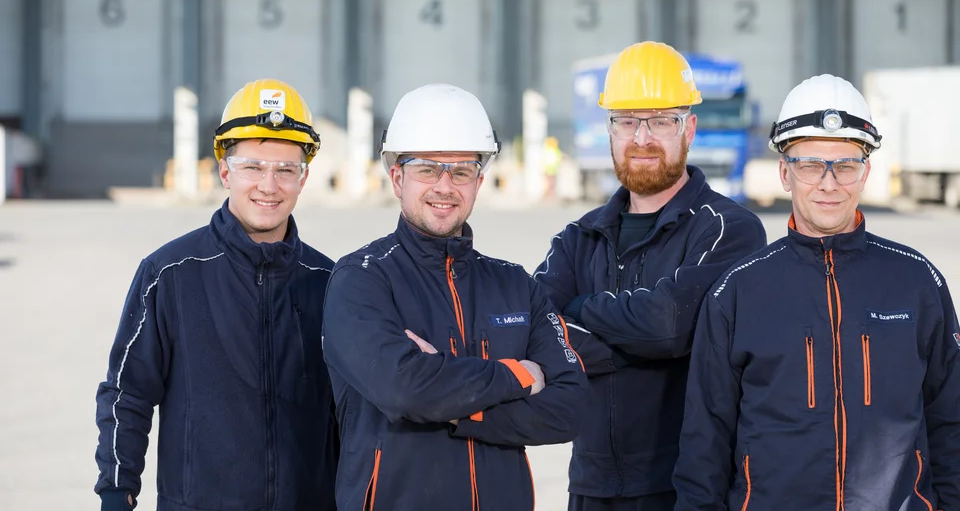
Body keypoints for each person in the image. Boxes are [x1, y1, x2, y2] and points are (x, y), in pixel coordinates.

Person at [673, 74, 960, 510]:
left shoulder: (918, 282)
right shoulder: (737, 292)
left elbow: (952, 423)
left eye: (845, 165)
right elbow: (703, 447)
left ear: (866, 172)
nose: (829, 183)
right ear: (785, 173)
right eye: (810, 164)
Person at [321, 83, 589, 511]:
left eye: (461, 171)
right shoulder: (362, 280)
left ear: (479, 182)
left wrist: (457, 408)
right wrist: (515, 376)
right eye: (427, 169)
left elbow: (569, 408)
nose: (445, 186)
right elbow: (404, 389)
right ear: (397, 177)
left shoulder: (515, 285)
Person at [531, 41, 768, 511]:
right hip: (592, 487)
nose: (642, 138)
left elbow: (667, 325)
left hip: (686, 486)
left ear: (690, 128)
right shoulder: (578, 238)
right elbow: (535, 328)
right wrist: (638, 340)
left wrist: (577, 311)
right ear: (610, 130)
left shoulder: (730, 231)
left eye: (661, 121)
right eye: (627, 121)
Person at [94, 79, 338, 511]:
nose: (269, 185)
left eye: (286, 169)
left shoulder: (330, 281)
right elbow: (126, 394)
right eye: (253, 167)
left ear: (304, 178)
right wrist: (117, 492)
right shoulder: (168, 275)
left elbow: (351, 414)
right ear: (225, 171)